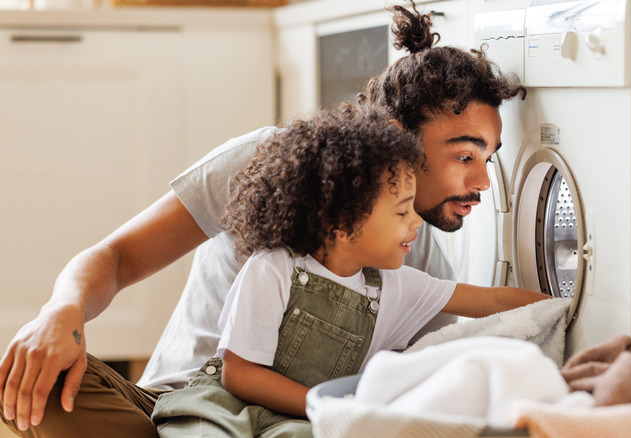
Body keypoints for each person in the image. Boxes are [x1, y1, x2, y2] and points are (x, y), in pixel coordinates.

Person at [0, 1, 526, 437]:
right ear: (398, 134)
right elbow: (117, 257)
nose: (481, 183)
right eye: (464, 156)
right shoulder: (271, 162)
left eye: (490, 159)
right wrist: (60, 311)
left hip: (287, 425)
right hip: (175, 406)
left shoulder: (415, 254)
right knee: (30, 381)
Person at [150, 102, 548, 437]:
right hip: (225, 403)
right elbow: (240, 375)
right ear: (342, 221)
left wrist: (564, 307)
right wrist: (323, 404)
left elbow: (493, 299)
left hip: (297, 419)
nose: (415, 223)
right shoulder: (272, 269)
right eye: (401, 211)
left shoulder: (397, 284)